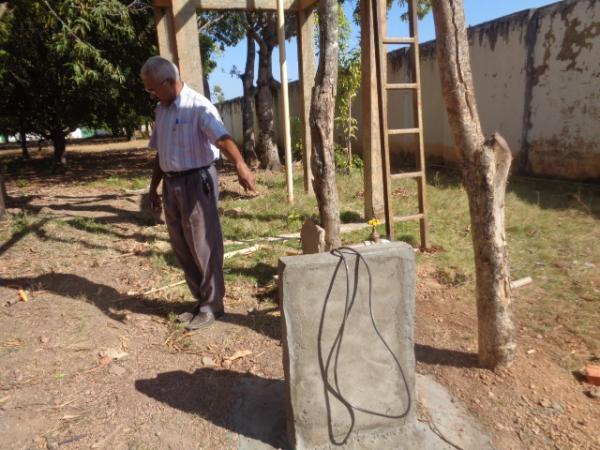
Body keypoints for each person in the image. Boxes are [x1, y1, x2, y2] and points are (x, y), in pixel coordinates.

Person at [140, 56, 256, 330]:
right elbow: (161, 152)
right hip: (171, 184)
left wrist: (241, 166)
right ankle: (201, 300)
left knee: (204, 244)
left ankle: (213, 305)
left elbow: (223, 139)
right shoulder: (162, 110)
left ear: (168, 82)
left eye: (152, 89)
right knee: (181, 244)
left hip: (196, 182)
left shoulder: (198, 106)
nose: (151, 95)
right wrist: (153, 187)